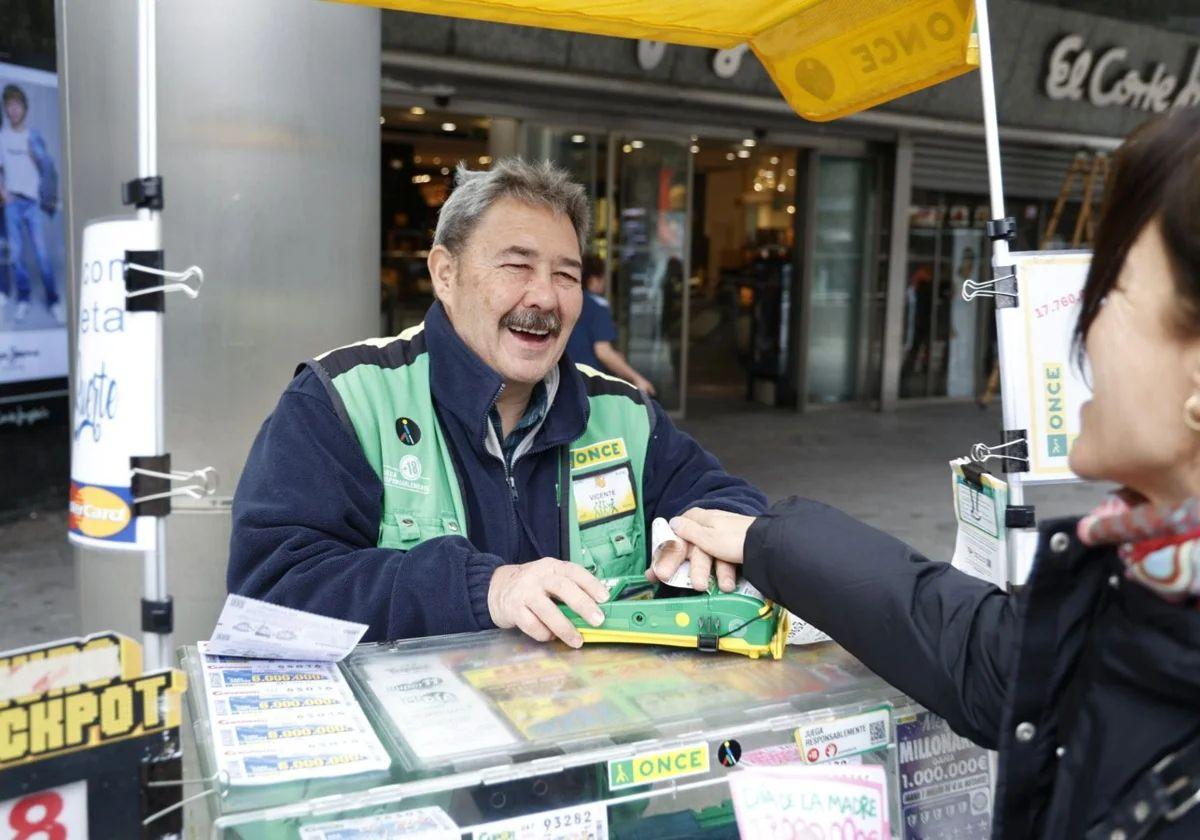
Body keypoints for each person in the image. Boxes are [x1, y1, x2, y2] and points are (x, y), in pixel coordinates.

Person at [654, 108, 1200, 838]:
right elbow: (983, 653)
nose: (1081, 326)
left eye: (1114, 290)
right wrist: (770, 541)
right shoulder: (1150, 592)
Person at [229, 159, 764, 647]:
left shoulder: (622, 412)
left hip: (584, 733)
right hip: (417, 741)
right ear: (445, 273)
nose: (545, 297)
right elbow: (271, 589)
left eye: (566, 275)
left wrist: (711, 539)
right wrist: (486, 588)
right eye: (516, 266)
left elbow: (727, 498)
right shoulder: (341, 400)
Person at [0, 84, 61, 326]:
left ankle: (53, 301)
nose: (13, 110)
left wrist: (46, 197)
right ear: (5, 110)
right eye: (9, 106)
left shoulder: (33, 137)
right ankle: (24, 299)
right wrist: (3, 193)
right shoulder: (2, 137)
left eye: (17, 105)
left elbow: (49, 171)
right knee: (16, 256)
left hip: (33, 204)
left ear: (25, 108)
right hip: (12, 205)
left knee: (42, 256)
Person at [564, 254, 656, 395]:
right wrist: (636, 378)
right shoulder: (598, 306)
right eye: (604, 278)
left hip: (564, 379)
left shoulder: (566, 301)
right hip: (590, 385)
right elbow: (603, 352)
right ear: (594, 280)